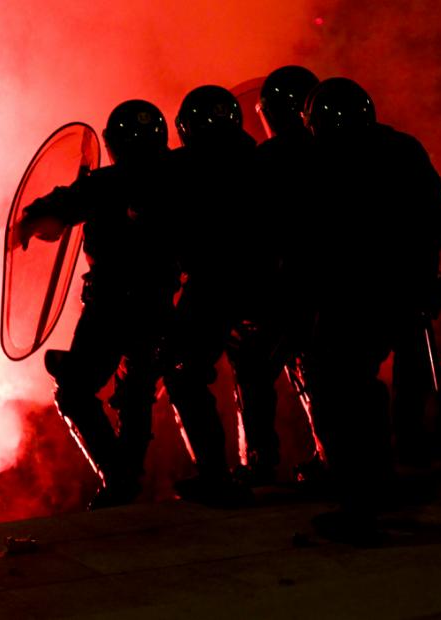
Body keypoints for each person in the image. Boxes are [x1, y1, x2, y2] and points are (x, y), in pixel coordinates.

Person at [297, 77, 441, 542]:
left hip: (359, 297)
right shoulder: (403, 149)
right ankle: (379, 482)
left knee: (338, 390)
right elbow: (433, 219)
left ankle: (359, 503)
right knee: (362, 389)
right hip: (404, 292)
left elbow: (319, 242)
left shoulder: (330, 162)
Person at [14, 99, 181, 509]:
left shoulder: (107, 184)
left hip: (110, 308)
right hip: (159, 303)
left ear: (114, 142)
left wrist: (31, 218)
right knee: (137, 392)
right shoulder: (183, 177)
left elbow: (58, 208)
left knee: (74, 392)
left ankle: (119, 478)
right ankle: (127, 480)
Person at [160, 85, 258, 506]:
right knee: (260, 373)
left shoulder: (185, 166)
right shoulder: (261, 161)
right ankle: (262, 463)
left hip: (215, 285)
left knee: (183, 371)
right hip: (268, 284)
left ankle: (216, 476)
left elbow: (132, 180)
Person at [232, 65, 324, 486]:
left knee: (254, 371)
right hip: (339, 285)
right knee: (323, 373)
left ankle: (259, 463)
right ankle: (340, 458)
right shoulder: (345, 151)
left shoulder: (267, 160)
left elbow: (249, 233)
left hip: (290, 289)